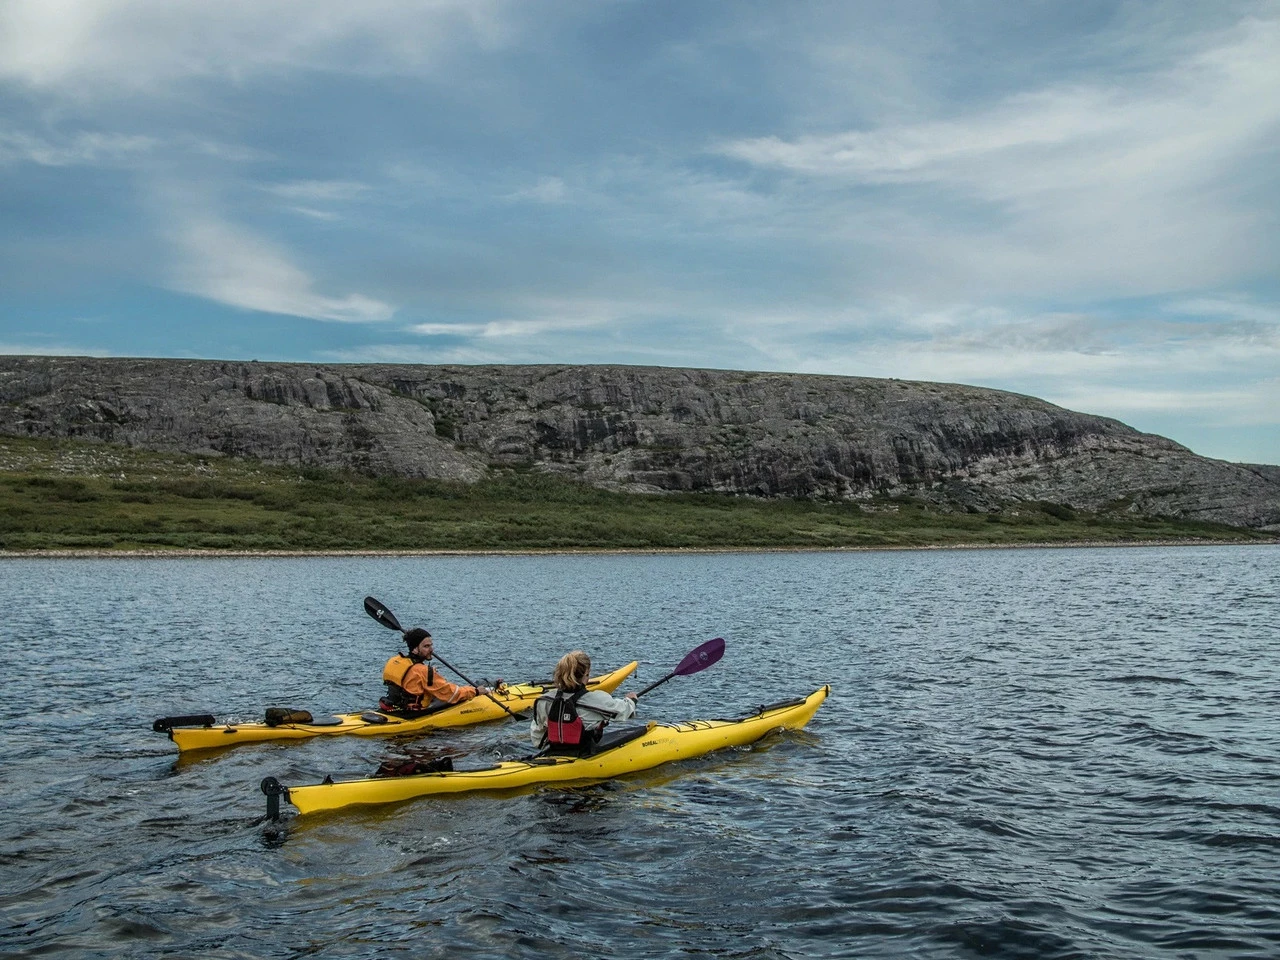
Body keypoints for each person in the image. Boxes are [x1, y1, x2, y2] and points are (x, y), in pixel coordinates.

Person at [530, 650, 637, 755]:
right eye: (587, 674)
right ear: (584, 675)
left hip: (553, 753)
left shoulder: (543, 700)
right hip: (583, 754)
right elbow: (624, 711)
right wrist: (631, 700)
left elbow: (537, 735)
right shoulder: (597, 699)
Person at [381, 627, 491, 713]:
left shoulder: (394, 661)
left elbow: (409, 680)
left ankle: (487, 685)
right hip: (415, 713)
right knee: (465, 692)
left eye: (431, 645)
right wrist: (475, 691)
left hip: (395, 707)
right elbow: (451, 694)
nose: (431, 649)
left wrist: (428, 677)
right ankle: (485, 688)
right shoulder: (423, 671)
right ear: (415, 649)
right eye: (426, 646)